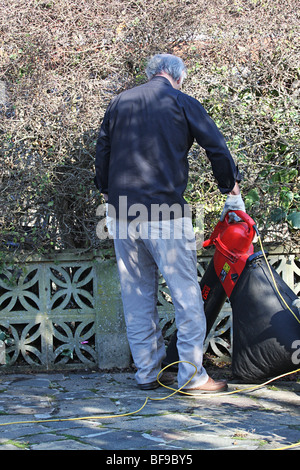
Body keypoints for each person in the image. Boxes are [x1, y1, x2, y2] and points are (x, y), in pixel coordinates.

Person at [95, 54, 245, 393]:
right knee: (186, 295)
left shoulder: (119, 102)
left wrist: (106, 191)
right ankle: (192, 377)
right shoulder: (180, 100)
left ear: (151, 74)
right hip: (164, 212)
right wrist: (230, 188)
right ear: (177, 76)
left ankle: (147, 373)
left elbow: (102, 151)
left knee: (137, 296)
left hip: (121, 213)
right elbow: (216, 146)